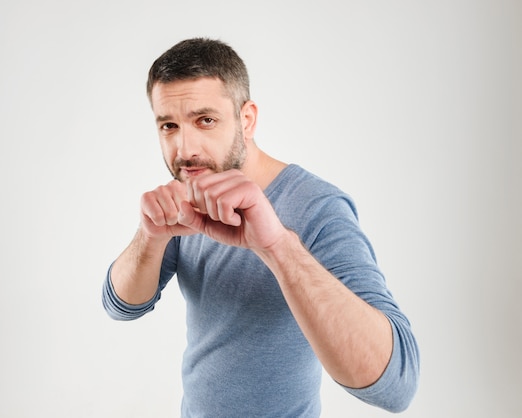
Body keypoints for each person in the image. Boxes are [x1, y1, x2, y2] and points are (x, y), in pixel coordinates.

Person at [102, 38, 419, 417]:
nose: (185, 149)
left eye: (206, 120)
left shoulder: (317, 206)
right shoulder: (188, 194)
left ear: (247, 119)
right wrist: (150, 236)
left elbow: (397, 387)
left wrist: (277, 247)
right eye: (169, 125)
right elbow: (121, 307)